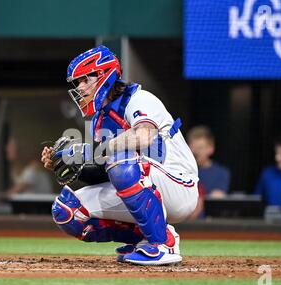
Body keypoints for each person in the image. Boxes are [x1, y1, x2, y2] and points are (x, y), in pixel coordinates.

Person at [40, 45, 199, 265]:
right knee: (66, 210)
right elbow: (106, 173)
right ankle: (145, 238)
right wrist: (73, 163)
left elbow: (144, 137)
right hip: (145, 183)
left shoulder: (139, 98)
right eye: (78, 82)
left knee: (120, 159)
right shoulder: (99, 119)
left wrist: (94, 151)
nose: (81, 87)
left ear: (104, 75)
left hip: (179, 185)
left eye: (86, 79)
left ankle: (163, 245)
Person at [187, 126, 231, 219]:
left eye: (200, 148)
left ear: (211, 149)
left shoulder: (221, 173)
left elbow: (216, 198)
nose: (195, 152)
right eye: (193, 148)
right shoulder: (181, 171)